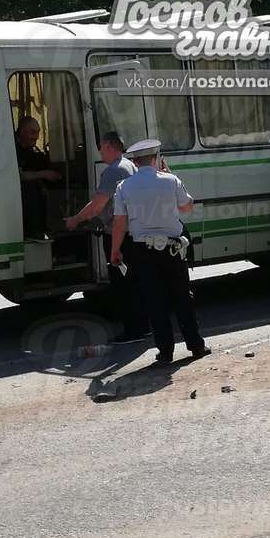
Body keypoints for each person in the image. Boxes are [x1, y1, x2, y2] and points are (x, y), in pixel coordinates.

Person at [110, 138, 210, 367]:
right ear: (156, 159)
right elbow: (186, 207)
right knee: (182, 297)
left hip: (142, 251)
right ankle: (196, 346)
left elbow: (119, 223)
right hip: (172, 250)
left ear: (135, 162)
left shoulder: (124, 187)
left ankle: (165, 352)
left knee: (154, 301)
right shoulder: (170, 180)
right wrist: (170, 175)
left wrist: (115, 250)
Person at [65, 132, 147, 343]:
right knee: (134, 282)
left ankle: (133, 330)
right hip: (132, 233)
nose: (99, 150)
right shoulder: (129, 165)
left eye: (101, 146)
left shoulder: (114, 170)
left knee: (122, 284)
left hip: (118, 235)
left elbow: (97, 205)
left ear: (110, 146)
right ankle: (142, 326)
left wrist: (75, 219)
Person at [15, 115, 60, 239]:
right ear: (22, 132)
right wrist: (45, 174)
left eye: (38, 132)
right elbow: (19, 175)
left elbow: (33, 169)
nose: (36, 137)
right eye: (32, 132)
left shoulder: (30, 149)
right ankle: (33, 231)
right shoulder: (12, 147)